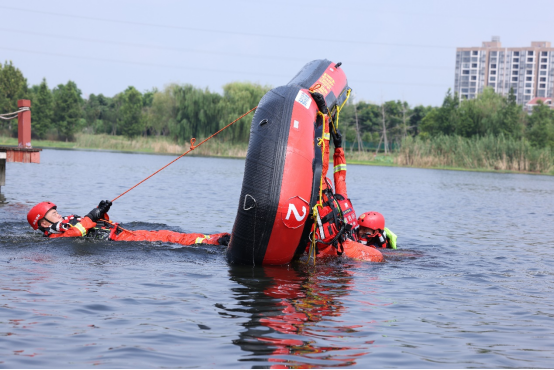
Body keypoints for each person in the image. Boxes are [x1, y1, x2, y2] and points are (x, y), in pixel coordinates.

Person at [308, 92, 397, 262]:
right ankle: (325, 117)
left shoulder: (370, 247)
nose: (361, 232)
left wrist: (325, 119)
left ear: (376, 235)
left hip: (337, 246)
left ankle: (325, 116)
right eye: (362, 229)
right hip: (336, 233)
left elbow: (324, 167)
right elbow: (340, 176)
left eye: (366, 232)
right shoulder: (345, 206)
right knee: (323, 174)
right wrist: (339, 147)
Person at [26, 201, 231, 246]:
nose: (58, 213)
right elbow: (76, 234)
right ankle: (213, 241)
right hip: (120, 239)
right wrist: (92, 216)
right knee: (166, 237)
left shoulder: (65, 224)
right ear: (43, 223)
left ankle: (213, 237)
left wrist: (101, 213)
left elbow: (91, 226)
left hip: (123, 233)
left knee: (164, 234)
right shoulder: (53, 236)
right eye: (53, 213)